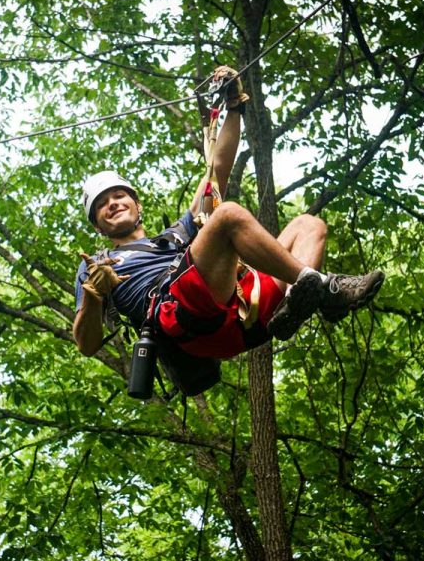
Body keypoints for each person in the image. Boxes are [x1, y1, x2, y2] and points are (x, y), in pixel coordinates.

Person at [73, 67, 384, 360]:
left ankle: (294, 304)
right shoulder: (97, 267)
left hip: (242, 316)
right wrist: (93, 295)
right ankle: (325, 288)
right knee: (227, 215)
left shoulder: (177, 236)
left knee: (309, 225)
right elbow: (86, 346)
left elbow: (217, 170)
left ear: (137, 206)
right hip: (183, 316)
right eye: (102, 205)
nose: (112, 203)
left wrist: (234, 107)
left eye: (118, 196)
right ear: (99, 227)